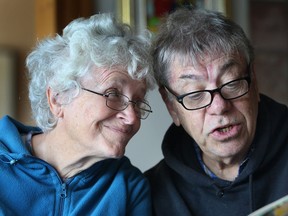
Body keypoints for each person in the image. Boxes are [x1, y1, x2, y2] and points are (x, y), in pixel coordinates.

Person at [0, 13, 155, 215]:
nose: (132, 117)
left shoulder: (128, 187)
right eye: (113, 93)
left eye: (137, 102)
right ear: (58, 98)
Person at [144, 6, 288, 216]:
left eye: (231, 83)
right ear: (171, 106)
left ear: (254, 82)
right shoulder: (152, 195)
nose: (219, 107)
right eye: (194, 94)